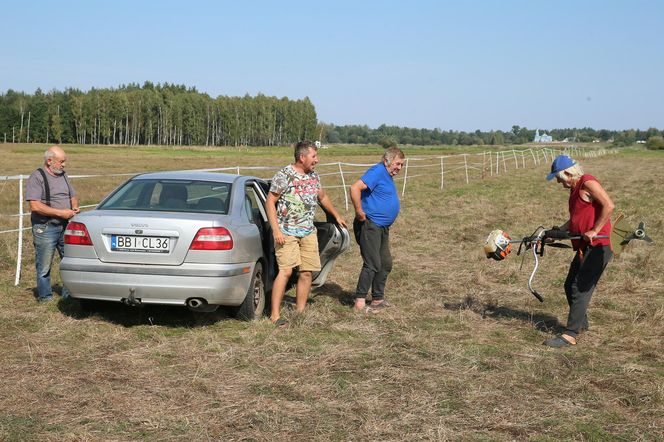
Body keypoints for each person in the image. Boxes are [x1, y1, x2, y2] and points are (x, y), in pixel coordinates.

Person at [266, 140, 347, 326]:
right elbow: (270, 202)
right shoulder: (284, 175)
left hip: (308, 232)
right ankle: (275, 315)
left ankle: (299, 312)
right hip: (286, 232)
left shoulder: (314, 176)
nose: (316, 160)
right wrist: (276, 230)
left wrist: (336, 215)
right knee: (285, 271)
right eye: (314, 156)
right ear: (302, 157)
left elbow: (322, 197)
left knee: (307, 273)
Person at [544, 154, 614, 347]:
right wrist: (558, 232)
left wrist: (595, 230)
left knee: (580, 287)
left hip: (600, 245)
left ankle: (571, 334)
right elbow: (575, 218)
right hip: (585, 245)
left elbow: (609, 205)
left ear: (568, 172)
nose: (559, 182)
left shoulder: (587, 182)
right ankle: (581, 323)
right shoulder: (574, 189)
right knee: (569, 285)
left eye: (559, 178)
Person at [350, 146, 406, 313]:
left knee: (385, 263)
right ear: (386, 161)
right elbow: (355, 188)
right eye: (397, 164)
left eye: (402, 165)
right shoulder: (377, 171)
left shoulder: (387, 175)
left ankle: (377, 299)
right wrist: (359, 211)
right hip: (370, 225)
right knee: (372, 263)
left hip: (382, 227)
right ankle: (359, 303)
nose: (399, 168)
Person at [26, 146, 80, 302]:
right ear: (49, 161)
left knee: (69, 260)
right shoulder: (37, 177)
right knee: (44, 266)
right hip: (45, 227)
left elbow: (73, 195)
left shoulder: (63, 175)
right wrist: (61, 213)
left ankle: (69, 294)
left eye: (64, 162)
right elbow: (35, 206)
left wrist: (74, 205)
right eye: (61, 162)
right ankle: (45, 297)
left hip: (65, 226)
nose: (64, 165)